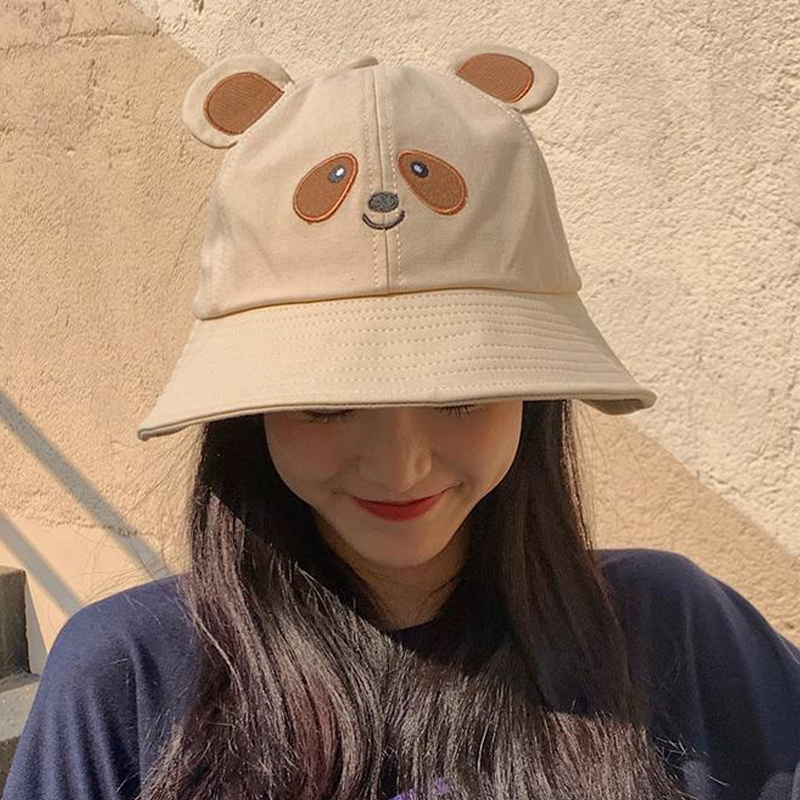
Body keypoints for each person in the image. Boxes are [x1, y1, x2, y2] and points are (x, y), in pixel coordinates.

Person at [4, 44, 799, 800]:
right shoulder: (125, 679)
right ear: (249, 416)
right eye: (325, 404)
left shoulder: (674, 630)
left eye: (460, 396)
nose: (398, 466)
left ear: (534, 397)